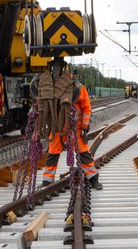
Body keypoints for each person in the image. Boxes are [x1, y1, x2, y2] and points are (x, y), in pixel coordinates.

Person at [36, 59, 102, 190]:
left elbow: (86, 109)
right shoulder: (48, 88)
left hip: (74, 128)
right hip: (57, 128)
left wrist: (84, 126)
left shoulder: (78, 88)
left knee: (83, 153)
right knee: (52, 153)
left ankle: (93, 179)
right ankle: (47, 180)